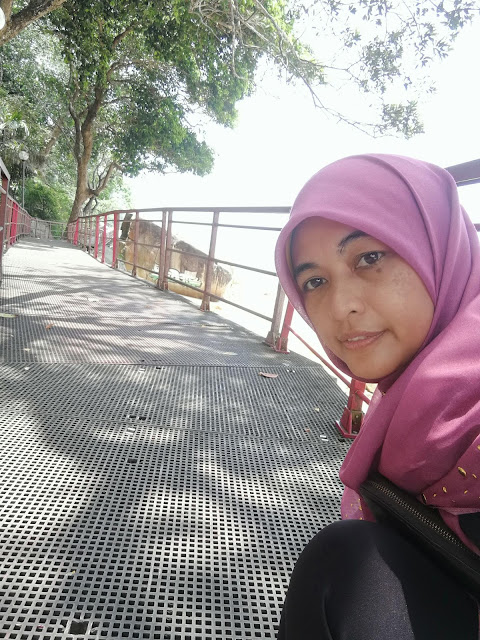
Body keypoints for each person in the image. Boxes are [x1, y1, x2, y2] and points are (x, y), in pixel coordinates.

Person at [274, 154, 480, 639]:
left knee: (345, 558)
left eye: (369, 258)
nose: (341, 306)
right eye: (314, 281)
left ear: (437, 250)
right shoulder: (409, 399)